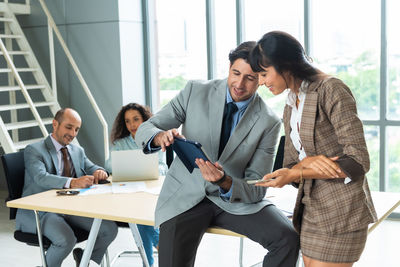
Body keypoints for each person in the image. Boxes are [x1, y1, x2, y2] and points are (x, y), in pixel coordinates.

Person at [135, 41, 300, 267]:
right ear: (229, 67)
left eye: (250, 78)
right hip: (185, 196)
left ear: (261, 79)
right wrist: (158, 136)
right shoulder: (195, 91)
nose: (239, 84)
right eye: (236, 73)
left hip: (232, 199)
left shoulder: (268, 122)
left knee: (288, 238)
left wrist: (225, 181)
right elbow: (147, 128)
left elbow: (257, 184)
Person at [249, 31, 377, 267]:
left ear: (285, 65)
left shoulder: (331, 89)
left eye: (264, 74)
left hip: (342, 213)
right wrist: (303, 166)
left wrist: (299, 171)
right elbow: (290, 164)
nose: (262, 82)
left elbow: (358, 162)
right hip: (310, 212)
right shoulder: (291, 103)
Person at [15, 108, 118, 267]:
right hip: (42, 211)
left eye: (76, 129)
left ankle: (85, 261)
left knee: (109, 229)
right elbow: (40, 177)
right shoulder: (34, 150)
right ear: (55, 124)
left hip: (70, 209)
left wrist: (100, 171)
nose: (73, 133)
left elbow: (92, 167)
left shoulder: (77, 151)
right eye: (69, 127)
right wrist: (73, 182)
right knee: (66, 240)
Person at [105, 102, 167, 267]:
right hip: (127, 192)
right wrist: (128, 164)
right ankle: (159, 245)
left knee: (140, 216)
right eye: (127, 121)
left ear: (144, 120)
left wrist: (150, 167)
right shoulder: (120, 143)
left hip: (149, 190)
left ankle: (148, 262)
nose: (132, 125)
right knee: (138, 214)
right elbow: (109, 165)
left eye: (135, 119)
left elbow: (163, 166)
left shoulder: (154, 139)